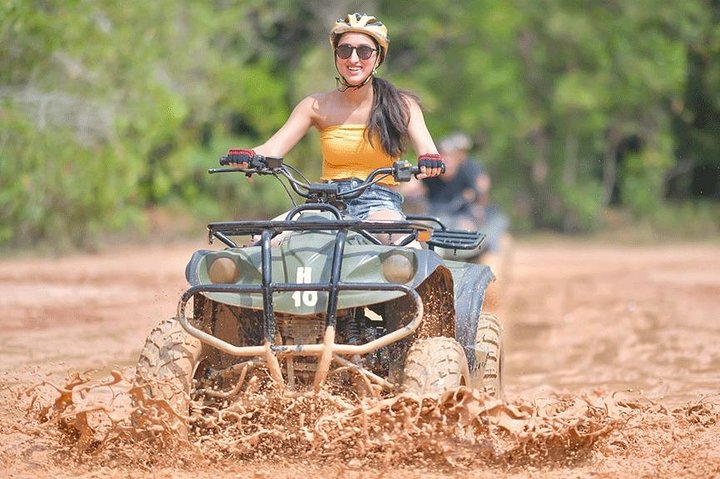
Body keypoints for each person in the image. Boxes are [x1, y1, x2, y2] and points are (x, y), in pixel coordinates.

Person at [226, 13, 444, 226]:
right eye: (345, 50)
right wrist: (250, 156)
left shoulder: (402, 105)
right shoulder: (314, 106)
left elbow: (428, 150)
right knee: (262, 240)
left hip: (379, 204)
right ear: (336, 56)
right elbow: (273, 148)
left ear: (378, 57)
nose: (353, 59)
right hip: (325, 204)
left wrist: (430, 161)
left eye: (364, 51)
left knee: (402, 249)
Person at [403, 131, 508, 253]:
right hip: (436, 216)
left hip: (461, 215)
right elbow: (411, 187)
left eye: (449, 156)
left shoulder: (468, 170)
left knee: (473, 232)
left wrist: (477, 205)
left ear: (458, 158)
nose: (446, 160)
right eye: (442, 156)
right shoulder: (431, 170)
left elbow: (482, 188)